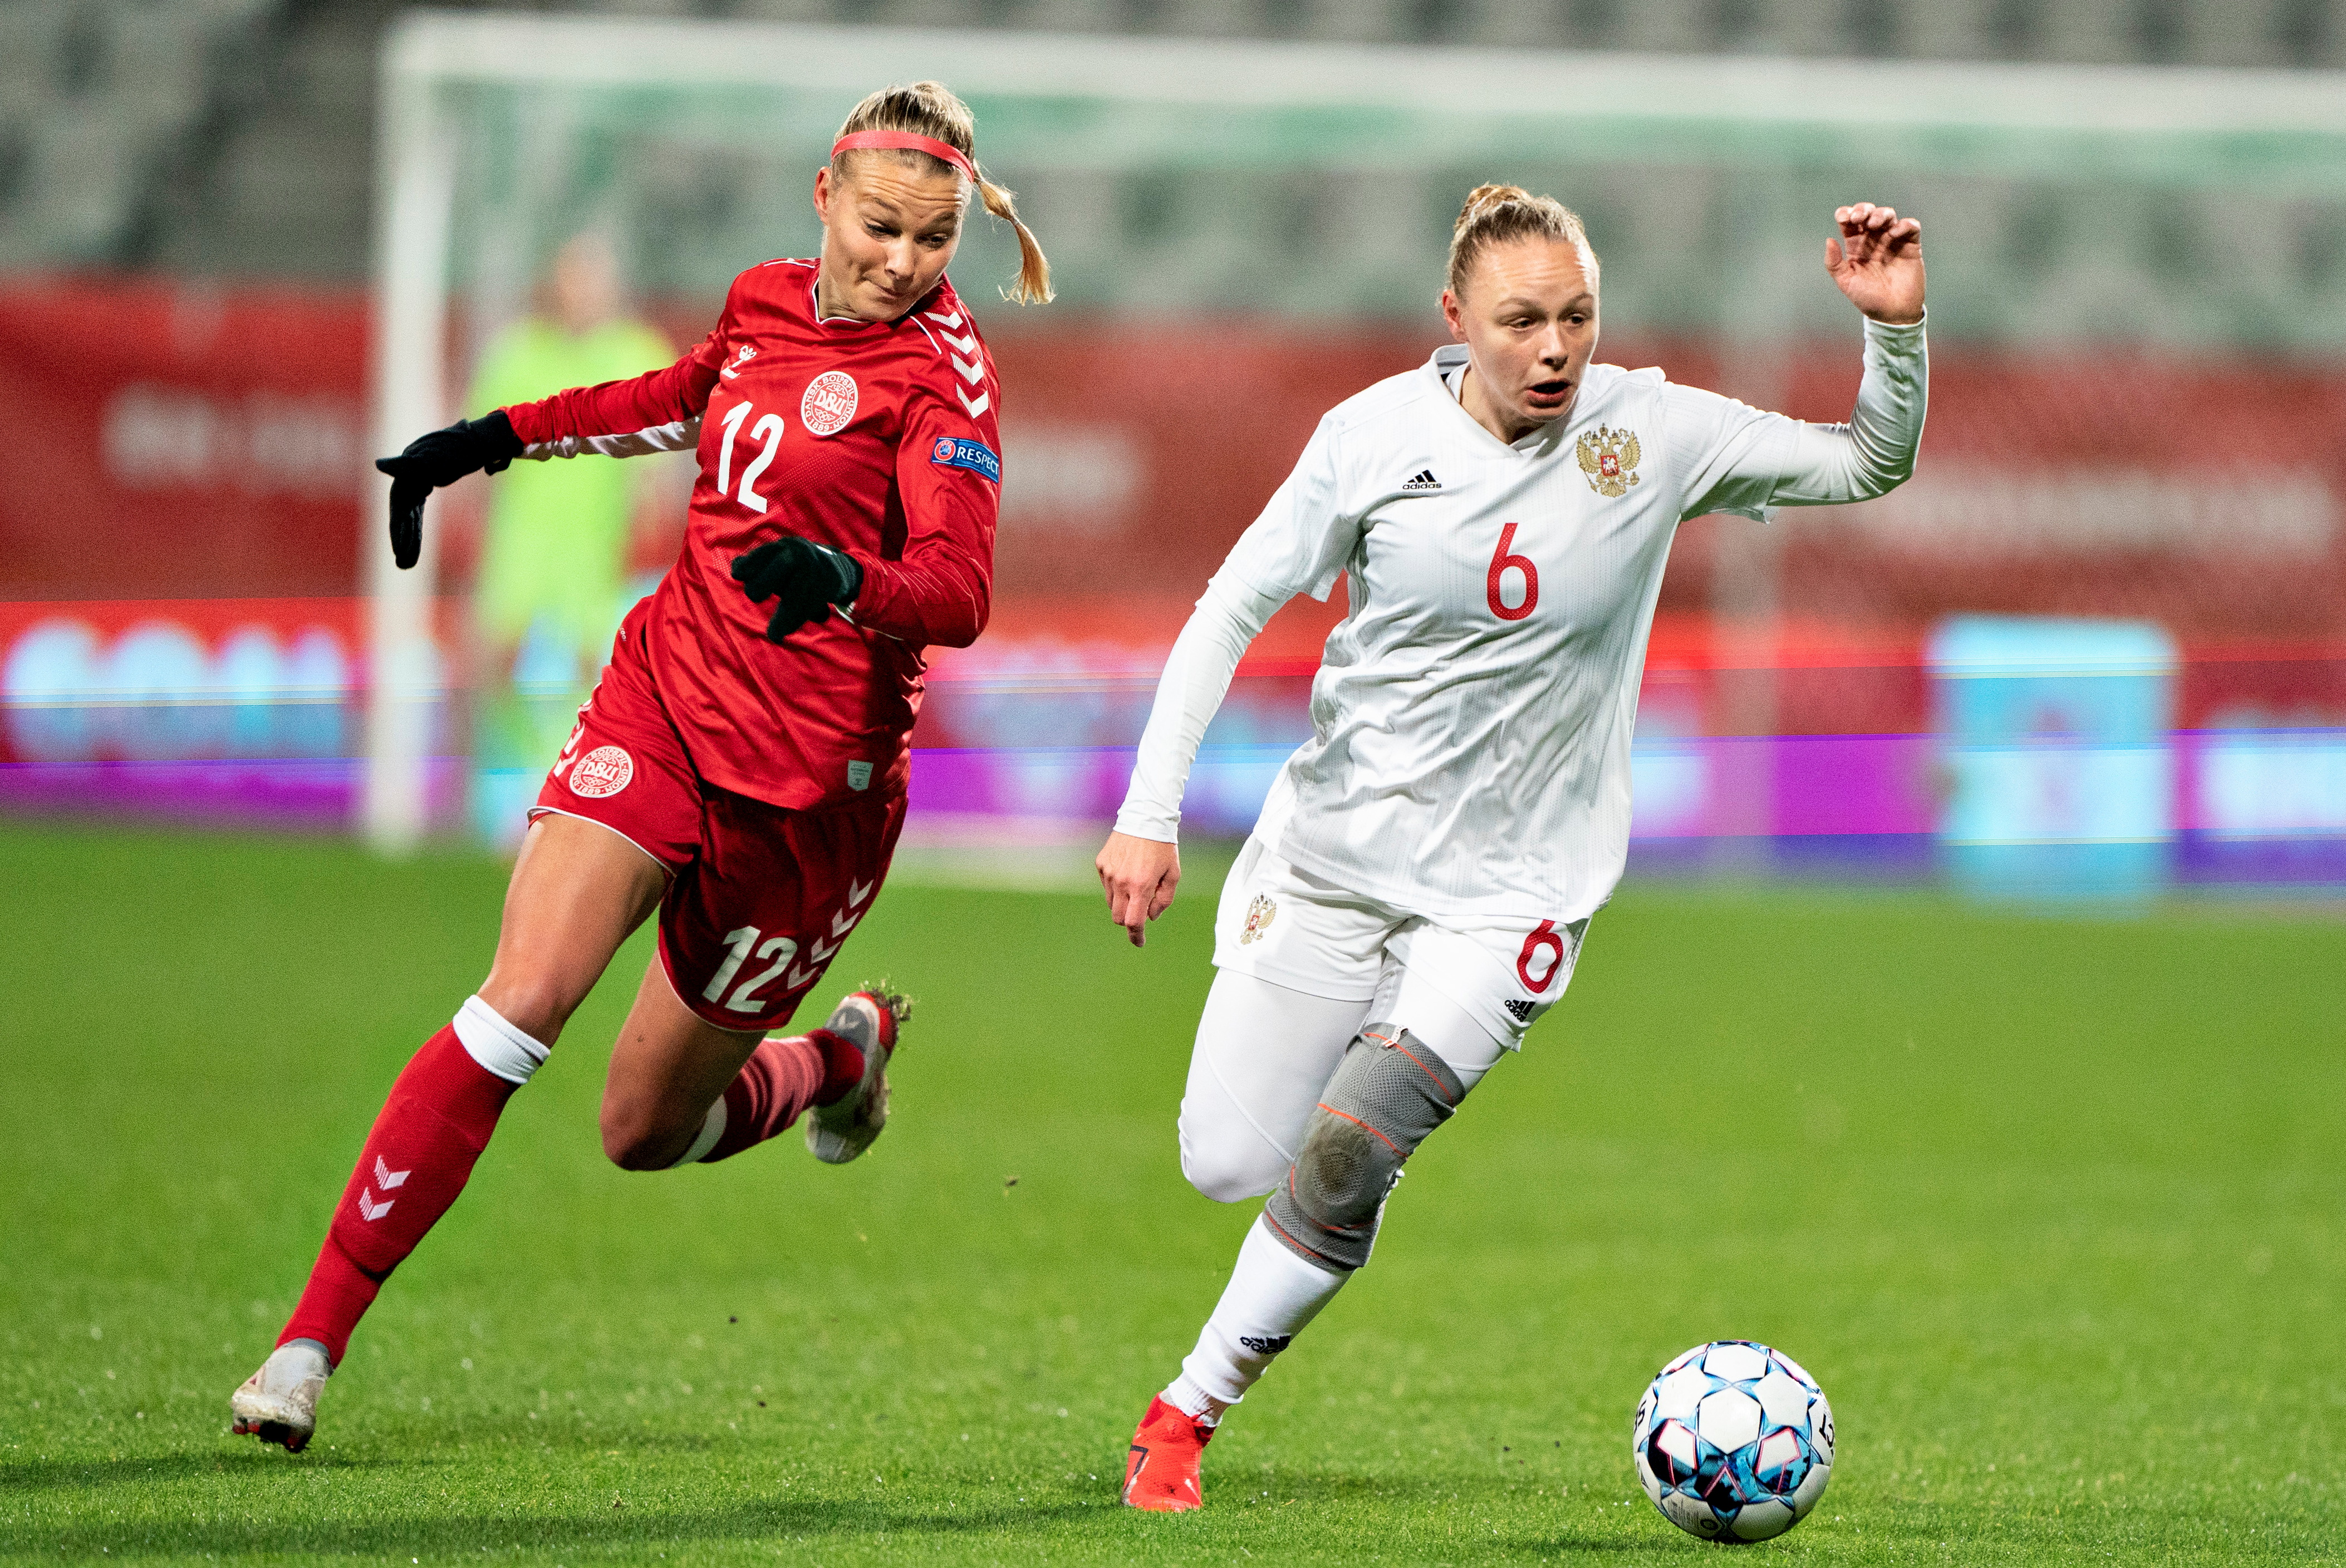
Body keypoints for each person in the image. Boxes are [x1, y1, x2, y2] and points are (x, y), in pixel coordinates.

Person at [229, 81, 1051, 1453]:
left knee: (639, 1129)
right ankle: (305, 1347)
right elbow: (678, 396)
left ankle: (838, 1061)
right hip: (664, 705)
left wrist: (847, 577)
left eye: (931, 240)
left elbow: (958, 591)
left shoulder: (948, 378)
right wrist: (492, 439)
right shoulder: (763, 301)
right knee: (518, 1004)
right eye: (879, 226)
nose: (901, 261)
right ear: (824, 199)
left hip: (809, 803)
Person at [1097, 188, 1926, 1511]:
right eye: (1523, 321)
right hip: (1334, 860)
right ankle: (1350, 1125)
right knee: (1229, 1162)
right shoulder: (1369, 440)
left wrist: (1896, 334)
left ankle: (1183, 1414)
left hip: (1514, 893)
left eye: (1578, 318)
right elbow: (1230, 606)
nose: (1556, 349)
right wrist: (1149, 811)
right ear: (1456, 322)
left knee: (1349, 1151)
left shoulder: (1648, 431)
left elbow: (1865, 463)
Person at [463, 231, 677, 845]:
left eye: (596, 278)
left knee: (596, 672)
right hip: (523, 539)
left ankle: (578, 801)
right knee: (497, 661)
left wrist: (650, 507)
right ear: (554, 284)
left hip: (594, 545)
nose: (585, 291)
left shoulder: (636, 353)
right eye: (575, 276)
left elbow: (658, 455)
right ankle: (496, 796)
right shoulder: (519, 355)